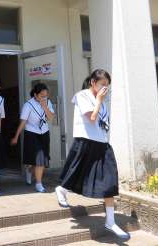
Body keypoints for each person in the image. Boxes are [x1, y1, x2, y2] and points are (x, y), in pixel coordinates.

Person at [55, 69, 129, 241]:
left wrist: (100, 101)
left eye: (107, 85)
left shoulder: (102, 101)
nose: (105, 88)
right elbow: (92, 118)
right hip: (85, 141)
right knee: (76, 174)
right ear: (93, 82)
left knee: (109, 181)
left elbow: (103, 124)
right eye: (103, 84)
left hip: (102, 144)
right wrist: (99, 101)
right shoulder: (82, 96)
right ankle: (62, 189)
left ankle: (110, 222)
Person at [11, 82, 54, 192]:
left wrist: (45, 107)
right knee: (38, 159)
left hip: (44, 133)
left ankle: (31, 173)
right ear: (35, 94)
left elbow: (50, 117)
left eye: (45, 95)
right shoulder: (28, 105)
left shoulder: (47, 102)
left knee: (42, 160)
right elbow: (23, 122)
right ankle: (38, 183)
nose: (44, 98)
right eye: (42, 95)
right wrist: (16, 136)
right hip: (32, 134)